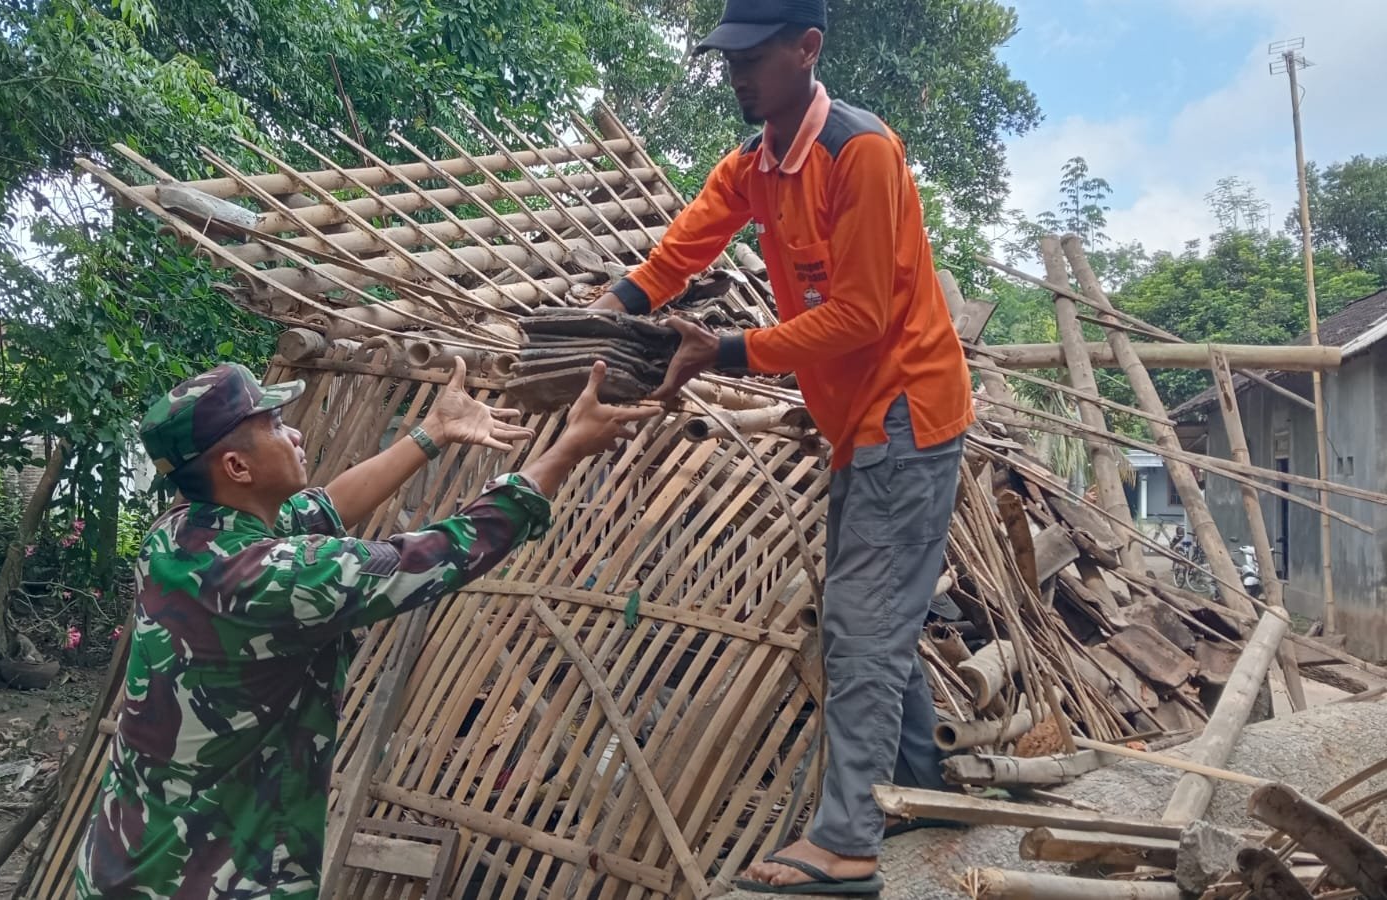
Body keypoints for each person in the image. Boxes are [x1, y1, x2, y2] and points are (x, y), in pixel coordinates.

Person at [588, 0, 973, 892]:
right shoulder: (758, 164)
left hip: (906, 418)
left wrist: (727, 352)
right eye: (729, 56)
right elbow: (687, 243)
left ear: (807, 50)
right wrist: (611, 313)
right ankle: (923, 792)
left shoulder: (858, 151)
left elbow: (864, 315)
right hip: (861, 426)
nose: (736, 72)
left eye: (753, 56)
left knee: (861, 626)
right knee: (873, 618)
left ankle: (847, 844)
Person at [74, 359, 657, 899]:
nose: (295, 434)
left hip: (123, 857)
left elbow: (324, 507)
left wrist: (432, 432)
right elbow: (431, 557)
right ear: (236, 466)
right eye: (277, 425)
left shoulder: (179, 537)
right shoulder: (268, 578)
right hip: (205, 878)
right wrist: (565, 452)